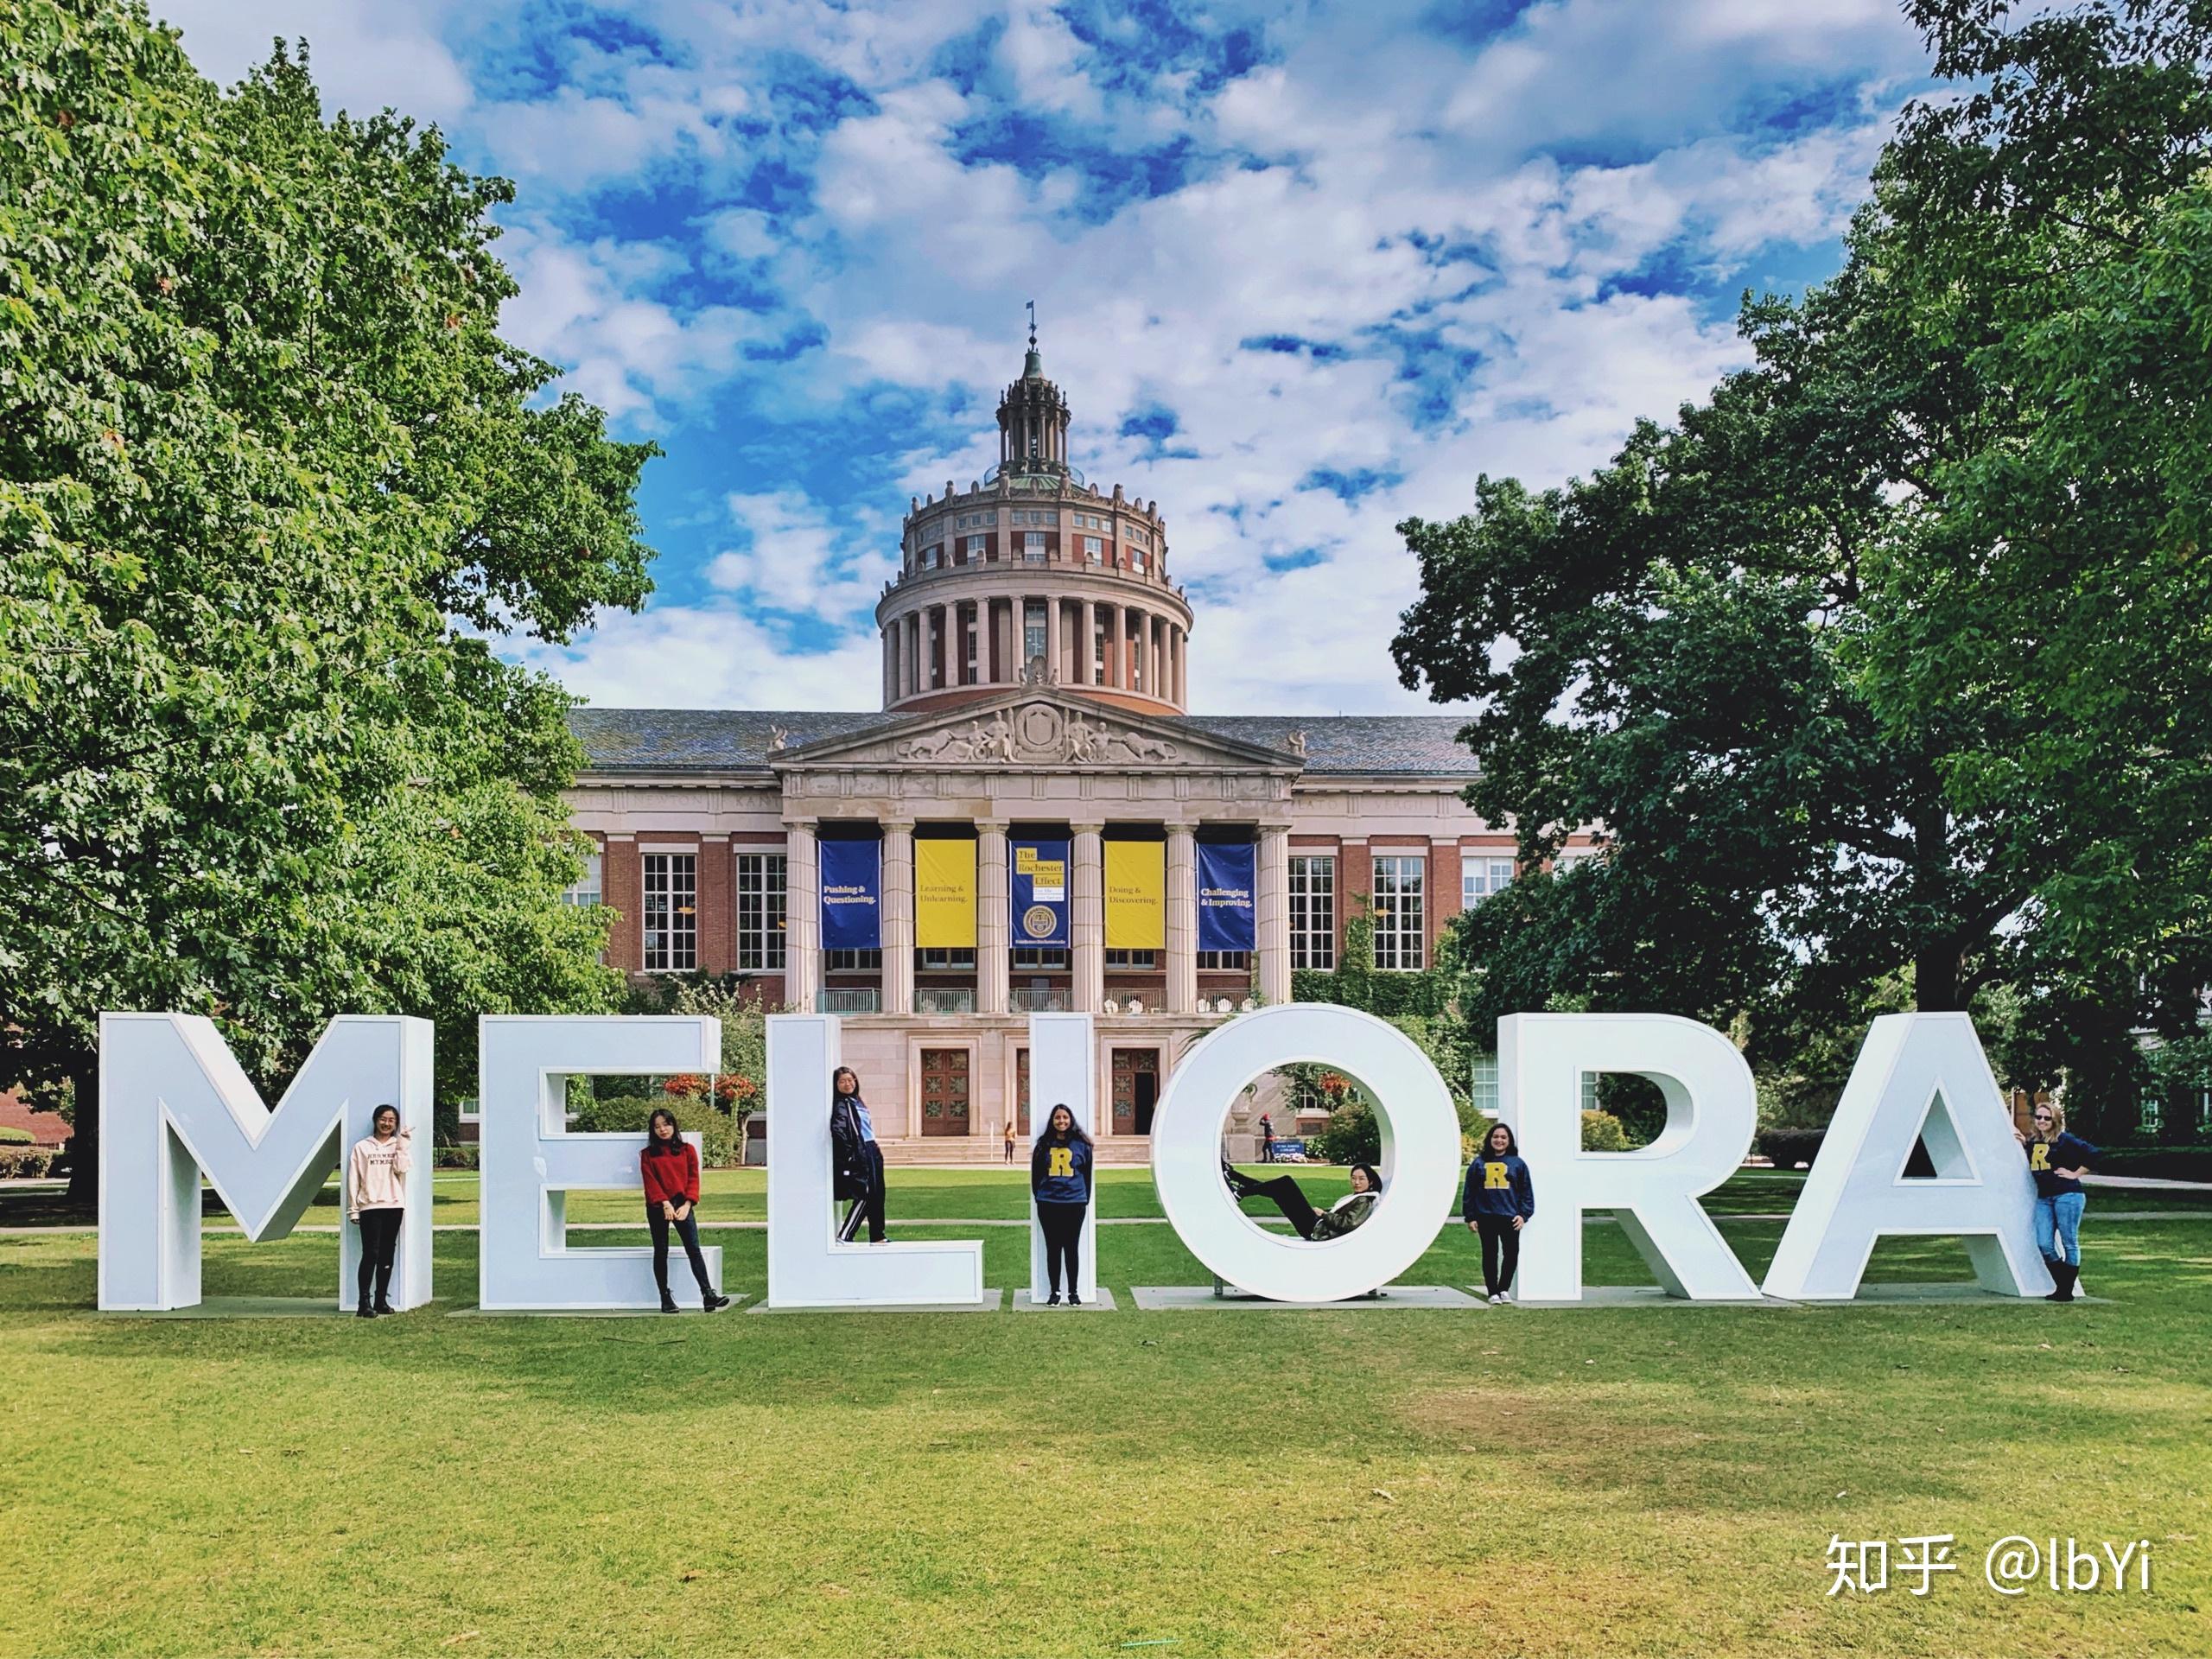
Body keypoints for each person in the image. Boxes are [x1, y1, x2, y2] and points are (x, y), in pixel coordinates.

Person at [642, 1108, 730, 1314]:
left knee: (694, 1249)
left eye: (666, 1124)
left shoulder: (687, 1150)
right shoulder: (647, 1155)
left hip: (683, 1204)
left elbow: (693, 1179)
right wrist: (665, 1203)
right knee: (661, 1250)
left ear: (674, 1125)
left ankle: (708, 1295)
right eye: (657, 1126)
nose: (663, 1129)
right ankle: (665, 1297)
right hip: (658, 1207)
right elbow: (650, 1182)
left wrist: (687, 1204)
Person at [2017, 1102, 2096, 1302]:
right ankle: (2065, 1284)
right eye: (2039, 1117)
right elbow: (2037, 1162)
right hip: (2044, 1197)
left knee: (2070, 1242)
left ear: (2055, 1121)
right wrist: (2023, 1144)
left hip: (2067, 1195)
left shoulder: (2064, 1140)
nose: (2042, 1121)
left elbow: (2093, 1153)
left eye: (2047, 1118)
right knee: (2044, 1243)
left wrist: (2075, 1173)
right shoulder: (2035, 1142)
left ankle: (2064, 1290)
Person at [346, 1103, 410, 1318]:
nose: (386, 1123)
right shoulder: (362, 1147)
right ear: (375, 1120)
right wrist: (354, 1210)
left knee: (387, 1253)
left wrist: (402, 1145)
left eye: (391, 1120)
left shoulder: (397, 1145)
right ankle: (364, 1303)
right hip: (370, 1206)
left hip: (393, 1206)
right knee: (370, 1253)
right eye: (383, 1119)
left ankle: (381, 1299)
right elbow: (353, 1179)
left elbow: (401, 1169)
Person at [1464, 1123, 1535, 1304]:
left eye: (1503, 1137)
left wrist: (1524, 1214)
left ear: (1509, 1140)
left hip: (1510, 1217)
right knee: (1490, 1254)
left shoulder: (1518, 1163)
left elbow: (1526, 1191)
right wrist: (1470, 1216)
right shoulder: (1479, 1162)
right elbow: (1469, 1191)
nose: (1499, 1140)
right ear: (1490, 1139)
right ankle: (1492, 1291)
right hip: (1486, 1216)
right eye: (1496, 1136)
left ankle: (1504, 1288)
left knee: (1511, 1254)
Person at [1221, 1160, 1381, 1240]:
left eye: (1361, 1179)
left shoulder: (1364, 1201)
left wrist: (1323, 1214)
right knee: (1278, 1189)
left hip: (1315, 1229)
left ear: (1371, 1181)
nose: (1357, 1182)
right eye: (1353, 1178)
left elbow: (1349, 1224)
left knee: (1285, 1183)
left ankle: (1240, 1191)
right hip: (1315, 1225)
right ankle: (1234, 1177)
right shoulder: (1358, 1198)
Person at [1031, 1103, 1094, 1305]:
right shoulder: (1043, 1144)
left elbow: (1087, 1175)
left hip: (1074, 1203)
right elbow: (1036, 1175)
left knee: (1072, 1247)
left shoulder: (1082, 1145)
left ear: (1071, 1120)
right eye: (1058, 1118)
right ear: (1052, 1120)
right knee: (1053, 1248)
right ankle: (1055, 1292)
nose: (1061, 1121)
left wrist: (1084, 1199)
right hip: (1049, 1203)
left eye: (1065, 1118)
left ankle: (1073, 1293)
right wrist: (1041, 1196)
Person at [830, 1065, 887, 1243]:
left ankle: (877, 1235)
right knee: (866, 1193)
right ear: (836, 1085)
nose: (848, 1084)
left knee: (878, 1194)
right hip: (860, 1151)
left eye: (850, 1080)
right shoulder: (841, 1105)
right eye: (842, 1081)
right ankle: (846, 1234)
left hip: (872, 1149)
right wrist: (849, 1154)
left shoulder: (856, 1101)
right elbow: (838, 1130)